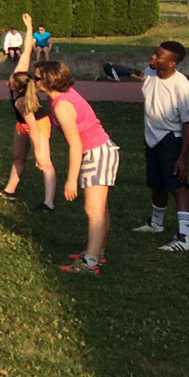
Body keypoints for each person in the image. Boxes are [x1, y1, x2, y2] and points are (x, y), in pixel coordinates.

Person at [29, 61, 118, 274]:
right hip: (99, 150)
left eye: (38, 78)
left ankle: (90, 262)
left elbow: (76, 144)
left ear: (50, 81)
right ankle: (97, 252)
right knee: (100, 208)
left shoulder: (62, 106)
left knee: (93, 210)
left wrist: (71, 180)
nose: (35, 81)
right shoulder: (63, 96)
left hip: (96, 153)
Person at [132, 41, 189, 252]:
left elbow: (188, 124)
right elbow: (150, 107)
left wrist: (182, 158)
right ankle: (156, 224)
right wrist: (146, 138)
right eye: (154, 53)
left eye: (159, 56)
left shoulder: (182, 86)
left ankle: (184, 237)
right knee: (156, 183)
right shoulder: (150, 73)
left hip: (171, 138)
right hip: (153, 138)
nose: (152, 58)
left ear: (172, 63)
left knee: (177, 187)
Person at [0, 14, 57, 212]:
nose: (8, 82)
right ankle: (9, 190)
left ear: (18, 87)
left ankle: (48, 203)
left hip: (38, 125)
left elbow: (33, 126)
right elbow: (26, 53)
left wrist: (39, 150)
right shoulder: (20, 77)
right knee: (17, 157)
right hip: (22, 124)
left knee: (44, 163)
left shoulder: (22, 101)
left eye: (11, 83)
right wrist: (29, 27)